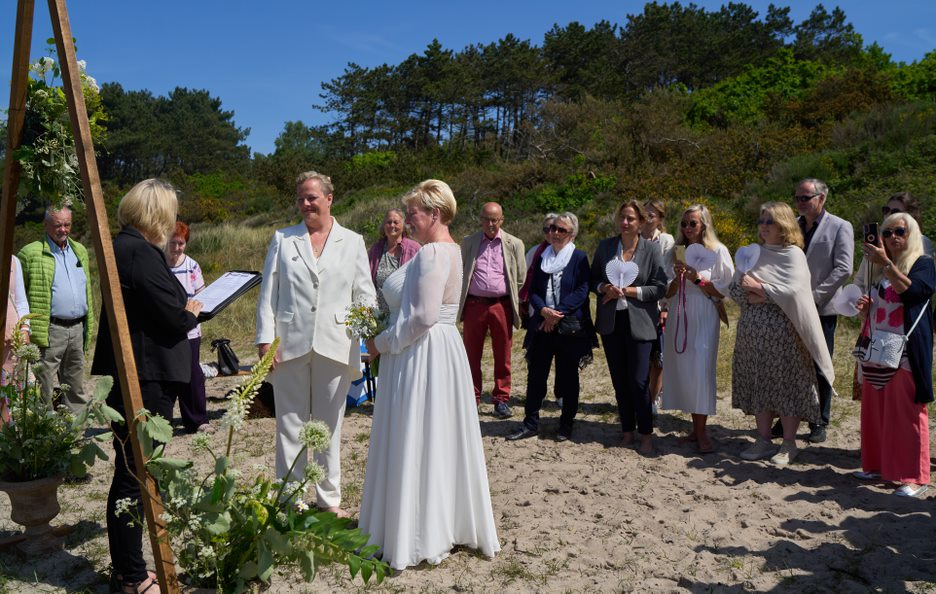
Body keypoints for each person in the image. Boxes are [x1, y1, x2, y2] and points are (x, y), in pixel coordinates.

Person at [360, 179, 500, 570]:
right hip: (440, 348)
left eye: (413, 213)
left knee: (420, 434)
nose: (407, 220)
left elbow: (422, 316)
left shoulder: (433, 253)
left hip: (422, 351)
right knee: (436, 435)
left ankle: (420, 529)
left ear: (434, 214)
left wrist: (382, 343)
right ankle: (438, 522)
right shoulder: (450, 250)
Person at [91, 179, 202, 594]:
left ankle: (128, 569)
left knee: (130, 471)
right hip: (147, 374)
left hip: (131, 371)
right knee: (135, 476)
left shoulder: (118, 246)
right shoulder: (141, 252)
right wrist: (190, 310)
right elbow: (170, 317)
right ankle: (133, 575)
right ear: (158, 214)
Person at [255, 171, 375, 517]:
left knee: (328, 425)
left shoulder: (352, 241)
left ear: (329, 199)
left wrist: (363, 330)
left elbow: (364, 294)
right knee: (289, 425)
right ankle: (289, 498)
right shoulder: (283, 238)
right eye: (301, 198)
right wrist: (266, 339)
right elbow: (269, 293)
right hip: (289, 343)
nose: (306, 204)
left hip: (336, 343)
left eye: (312, 198)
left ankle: (329, 499)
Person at [731, 202, 834, 467]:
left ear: (784, 225)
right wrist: (757, 294)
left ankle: (789, 444)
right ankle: (764, 439)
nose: (763, 226)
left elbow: (795, 292)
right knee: (760, 383)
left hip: (785, 334)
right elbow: (736, 290)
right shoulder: (752, 254)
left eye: (770, 221)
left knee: (786, 385)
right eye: (761, 221)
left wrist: (761, 289)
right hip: (752, 333)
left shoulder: (793, 255)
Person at [854, 212, 933, 497]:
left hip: (907, 349)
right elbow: (878, 305)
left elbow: (915, 293)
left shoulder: (922, 264)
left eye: (899, 232)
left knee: (907, 412)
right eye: (886, 233)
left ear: (911, 234)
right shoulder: (878, 269)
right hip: (879, 346)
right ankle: (876, 465)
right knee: (875, 408)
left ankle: (914, 476)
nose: (892, 238)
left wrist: (885, 264)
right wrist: (865, 306)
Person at [507, 212, 592, 442]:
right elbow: (533, 289)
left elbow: (582, 291)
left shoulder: (579, 258)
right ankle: (531, 423)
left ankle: (566, 425)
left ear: (571, 234)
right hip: (542, 324)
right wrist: (544, 310)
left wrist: (557, 313)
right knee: (536, 376)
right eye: (553, 228)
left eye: (561, 230)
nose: (555, 233)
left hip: (567, 327)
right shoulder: (542, 257)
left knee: (568, 378)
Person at [591, 200, 667, 455]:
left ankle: (646, 434)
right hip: (612, 322)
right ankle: (627, 432)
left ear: (641, 223)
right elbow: (593, 279)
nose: (625, 222)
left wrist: (632, 291)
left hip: (642, 323)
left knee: (638, 381)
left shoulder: (651, 250)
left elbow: (660, 287)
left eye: (631, 219)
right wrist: (605, 288)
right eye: (622, 217)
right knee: (620, 381)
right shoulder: (605, 247)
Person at [785, 178, 853, 443]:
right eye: (797, 198)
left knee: (820, 364)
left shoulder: (839, 226)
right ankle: (789, 415)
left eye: (805, 198)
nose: (800, 203)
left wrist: (814, 297)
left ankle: (819, 420)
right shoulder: (794, 226)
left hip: (820, 307)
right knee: (791, 362)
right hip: (791, 306)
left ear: (821, 198)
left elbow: (844, 268)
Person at [662, 205, 733, 453]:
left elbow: (726, 289)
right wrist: (677, 279)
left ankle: (702, 433)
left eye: (692, 223)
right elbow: (666, 292)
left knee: (701, 369)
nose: (687, 228)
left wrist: (697, 279)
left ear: (704, 224)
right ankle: (695, 429)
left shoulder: (718, 251)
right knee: (686, 369)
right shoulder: (676, 252)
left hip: (703, 312)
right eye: (683, 224)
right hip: (679, 314)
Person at [17, 205, 95, 411]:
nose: (63, 229)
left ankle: (74, 436)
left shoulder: (79, 250)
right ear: (46, 225)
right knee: (44, 385)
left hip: (77, 328)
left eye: (67, 224)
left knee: (75, 385)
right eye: (57, 225)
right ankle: (46, 436)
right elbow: (19, 294)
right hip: (49, 329)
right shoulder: (29, 253)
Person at [458, 202, 526, 417]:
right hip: (474, 305)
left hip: (501, 305)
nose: (490, 224)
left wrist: (506, 294)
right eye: (486, 219)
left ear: (501, 220)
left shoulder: (514, 243)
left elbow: (521, 278)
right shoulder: (469, 242)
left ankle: (501, 399)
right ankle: (473, 398)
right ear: (480, 219)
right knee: (471, 354)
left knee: (503, 355)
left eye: (494, 219)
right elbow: (461, 271)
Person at [165, 221, 212, 434]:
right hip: (166, 328)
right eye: (172, 243)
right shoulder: (159, 264)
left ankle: (198, 420)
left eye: (181, 243)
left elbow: (202, 297)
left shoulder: (191, 266)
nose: (176, 248)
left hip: (190, 329)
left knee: (193, 375)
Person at [641, 200, 674, 408]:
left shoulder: (665, 241)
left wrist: (665, 306)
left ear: (660, 219)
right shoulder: (633, 238)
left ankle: (653, 398)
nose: (647, 218)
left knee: (658, 357)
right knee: (640, 357)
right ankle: (641, 397)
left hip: (659, 303)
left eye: (652, 215)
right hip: (637, 302)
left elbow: (668, 275)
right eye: (645, 214)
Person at [367, 208, 420, 317]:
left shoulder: (414, 249)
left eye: (396, 222)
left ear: (403, 225)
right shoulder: (376, 249)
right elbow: (367, 280)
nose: (392, 225)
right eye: (388, 222)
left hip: (404, 314)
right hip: (379, 315)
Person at [2, 256, 31, 422]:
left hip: (12, 341)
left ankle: (11, 442)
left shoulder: (12, 260)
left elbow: (20, 300)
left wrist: (25, 327)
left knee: (13, 395)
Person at [879, 191, 934, 258]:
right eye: (886, 210)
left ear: (910, 215)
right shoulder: (879, 241)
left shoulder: (922, 242)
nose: (889, 215)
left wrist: (885, 263)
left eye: (896, 211)